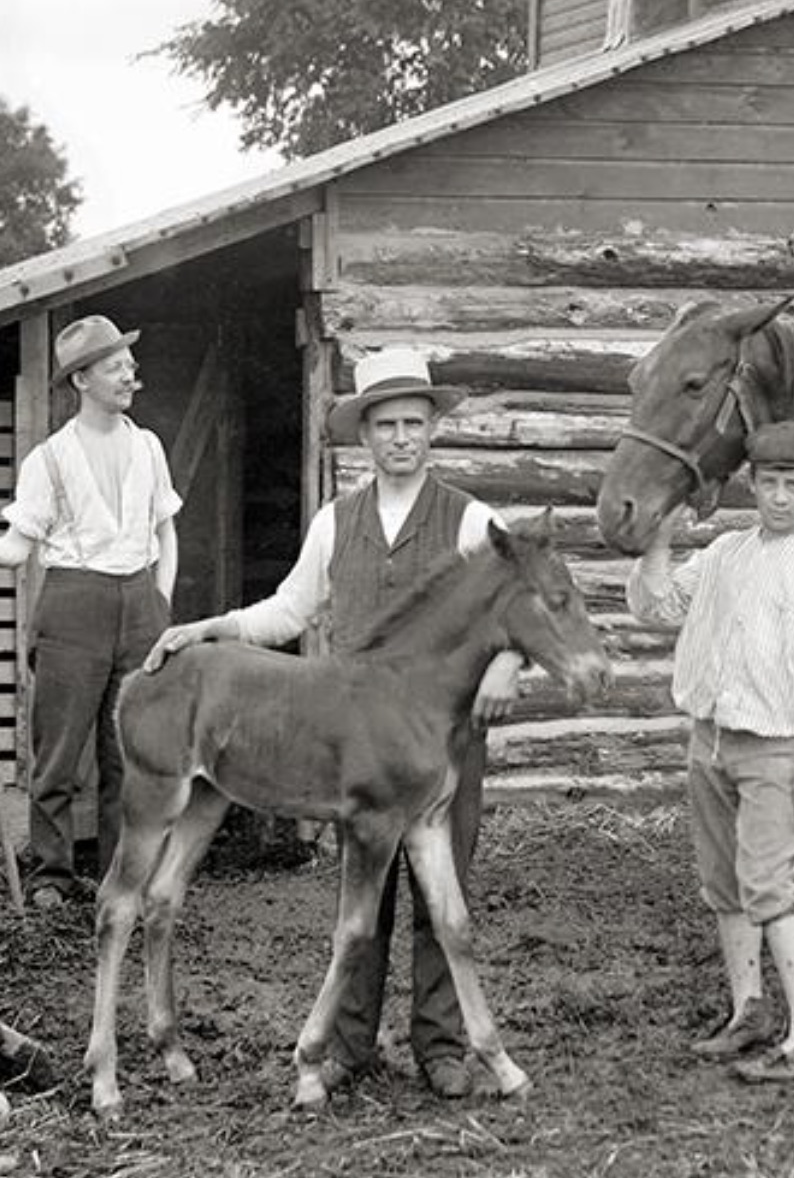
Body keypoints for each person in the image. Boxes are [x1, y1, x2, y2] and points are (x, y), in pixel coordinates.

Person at [142, 347, 524, 1100]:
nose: (401, 438)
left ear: (432, 431)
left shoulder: (473, 519)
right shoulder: (335, 521)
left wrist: (509, 662)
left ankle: (441, 1048)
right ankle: (350, 1043)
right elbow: (288, 611)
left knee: (442, 896)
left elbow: (525, 599)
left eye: (414, 423)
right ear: (365, 435)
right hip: (357, 743)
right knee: (364, 894)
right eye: (386, 425)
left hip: (444, 741)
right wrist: (210, 626)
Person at [627, 419, 794, 1083]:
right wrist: (658, 547)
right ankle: (748, 1010)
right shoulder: (727, 552)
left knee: (768, 886)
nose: (780, 497)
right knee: (724, 884)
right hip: (710, 740)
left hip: (776, 749)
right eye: (768, 483)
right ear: (750, 485)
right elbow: (660, 607)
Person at [0, 313, 181, 908]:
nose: (131, 374)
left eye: (129, 363)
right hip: (73, 607)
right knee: (60, 754)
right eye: (116, 366)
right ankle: (51, 874)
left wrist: (161, 601)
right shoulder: (48, 460)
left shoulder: (148, 446)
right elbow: (19, 549)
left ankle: (124, 878)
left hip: (140, 603)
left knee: (130, 752)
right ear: (81, 380)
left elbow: (167, 532)